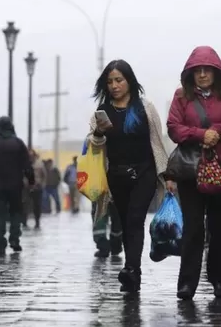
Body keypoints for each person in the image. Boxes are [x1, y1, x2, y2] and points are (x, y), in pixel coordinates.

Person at [167, 46, 221, 300]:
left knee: (219, 225)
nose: (202, 75)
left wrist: (219, 133)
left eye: (207, 70)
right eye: (197, 71)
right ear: (190, 74)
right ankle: (187, 282)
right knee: (193, 226)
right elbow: (174, 127)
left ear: (216, 72)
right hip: (191, 169)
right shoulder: (181, 97)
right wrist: (202, 135)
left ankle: (218, 278)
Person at [86, 59, 171, 292]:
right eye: (110, 81)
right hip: (116, 175)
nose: (114, 85)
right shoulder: (101, 112)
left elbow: (157, 142)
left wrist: (167, 174)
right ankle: (132, 268)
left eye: (119, 80)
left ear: (130, 81)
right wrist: (98, 133)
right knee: (125, 222)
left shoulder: (146, 108)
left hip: (144, 172)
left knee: (135, 218)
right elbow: (94, 146)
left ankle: (132, 269)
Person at [0, 116, 34, 256]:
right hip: (15, 185)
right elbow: (27, 165)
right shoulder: (18, 143)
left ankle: (0, 243)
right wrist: (31, 181)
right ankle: (15, 239)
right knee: (16, 212)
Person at [28, 149, 46, 228]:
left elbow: (44, 176)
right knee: (26, 204)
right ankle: (24, 221)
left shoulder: (40, 164)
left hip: (38, 187)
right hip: (27, 187)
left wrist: (42, 184)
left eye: (32, 156)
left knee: (37, 205)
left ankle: (37, 221)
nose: (30, 158)